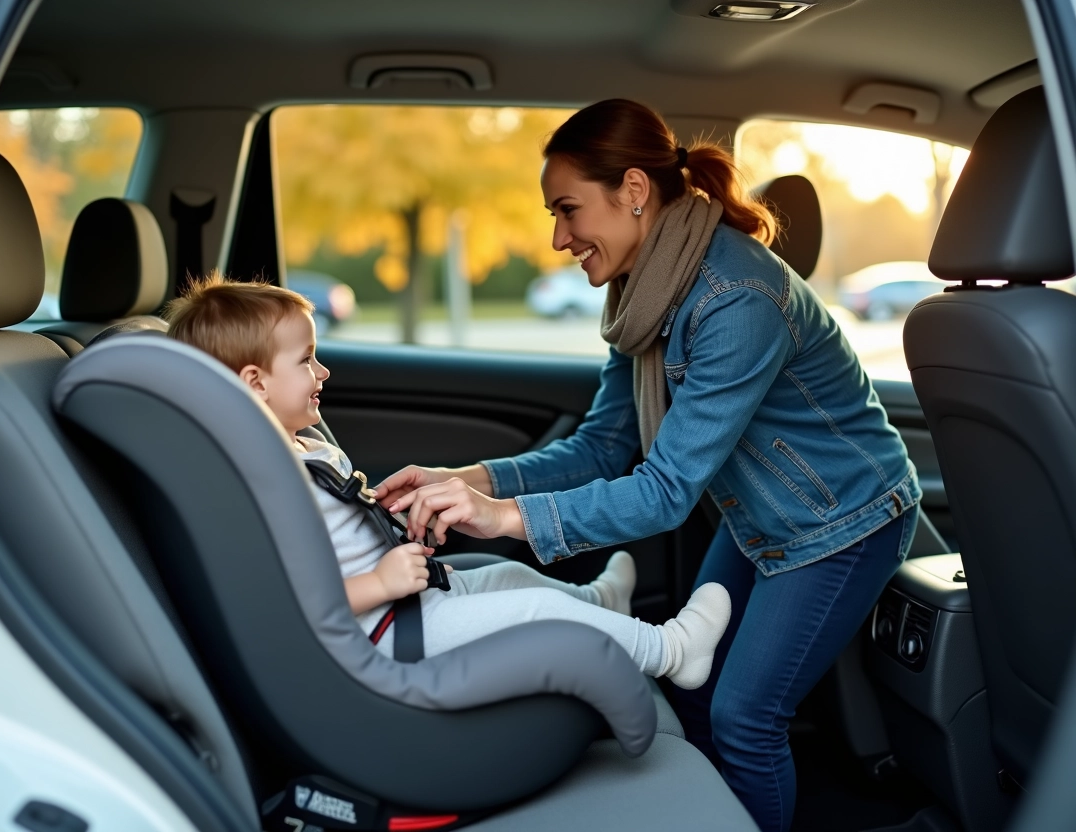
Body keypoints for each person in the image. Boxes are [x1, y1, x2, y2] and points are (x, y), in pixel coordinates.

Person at [373, 99, 921, 832]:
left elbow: (664, 492)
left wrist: (503, 518)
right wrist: (468, 481)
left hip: (841, 522)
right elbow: (602, 447)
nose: (559, 238)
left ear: (633, 190)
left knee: (745, 719)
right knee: (691, 685)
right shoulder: (645, 292)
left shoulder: (737, 296)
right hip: (761, 518)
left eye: (568, 210)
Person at [163, 272, 731, 685]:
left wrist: (389, 529)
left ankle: (599, 601)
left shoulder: (299, 448)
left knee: (509, 576)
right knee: (533, 613)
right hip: (384, 633)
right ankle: (670, 651)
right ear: (256, 383)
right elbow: (286, 601)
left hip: (405, 605)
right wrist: (380, 581)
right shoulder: (261, 485)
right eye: (306, 360)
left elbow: (336, 535)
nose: (323, 371)